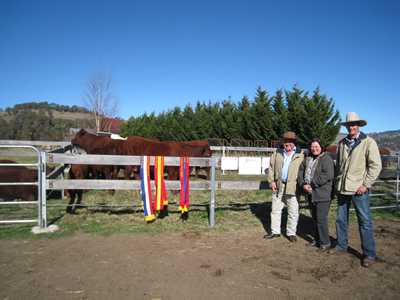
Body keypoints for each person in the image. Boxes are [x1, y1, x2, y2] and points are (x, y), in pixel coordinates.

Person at [332, 112, 382, 268]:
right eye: (349, 125)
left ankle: (369, 254)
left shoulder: (368, 142)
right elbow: (339, 167)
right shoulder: (341, 144)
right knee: (340, 219)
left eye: (354, 124)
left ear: (359, 125)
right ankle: (341, 245)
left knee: (364, 222)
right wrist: (337, 184)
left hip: (359, 190)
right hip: (342, 189)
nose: (351, 127)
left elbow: (375, 166)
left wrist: (365, 185)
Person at [265, 131, 304, 242]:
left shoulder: (300, 154)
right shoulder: (277, 152)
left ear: (294, 142)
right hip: (279, 185)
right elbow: (271, 168)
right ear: (282, 142)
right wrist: (271, 181)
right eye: (285, 141)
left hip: (293, 186)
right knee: (275, 210)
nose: (288, 144)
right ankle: (275, 232)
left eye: (290, 141)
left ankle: (291, 233)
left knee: (293, 211)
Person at [298, 138, 335, 251]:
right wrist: (303, 183)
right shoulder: (307, 158)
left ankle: (325, 242)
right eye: (312, 147)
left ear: (321, 147)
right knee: (314, 218)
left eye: (316, 146)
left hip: (322, 194)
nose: (314, 149)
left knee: (321, 219)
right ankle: (317, 239)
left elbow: (327, 175)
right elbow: (301, 171)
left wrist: (312, 184)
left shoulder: (326, 159)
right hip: (310, 193)